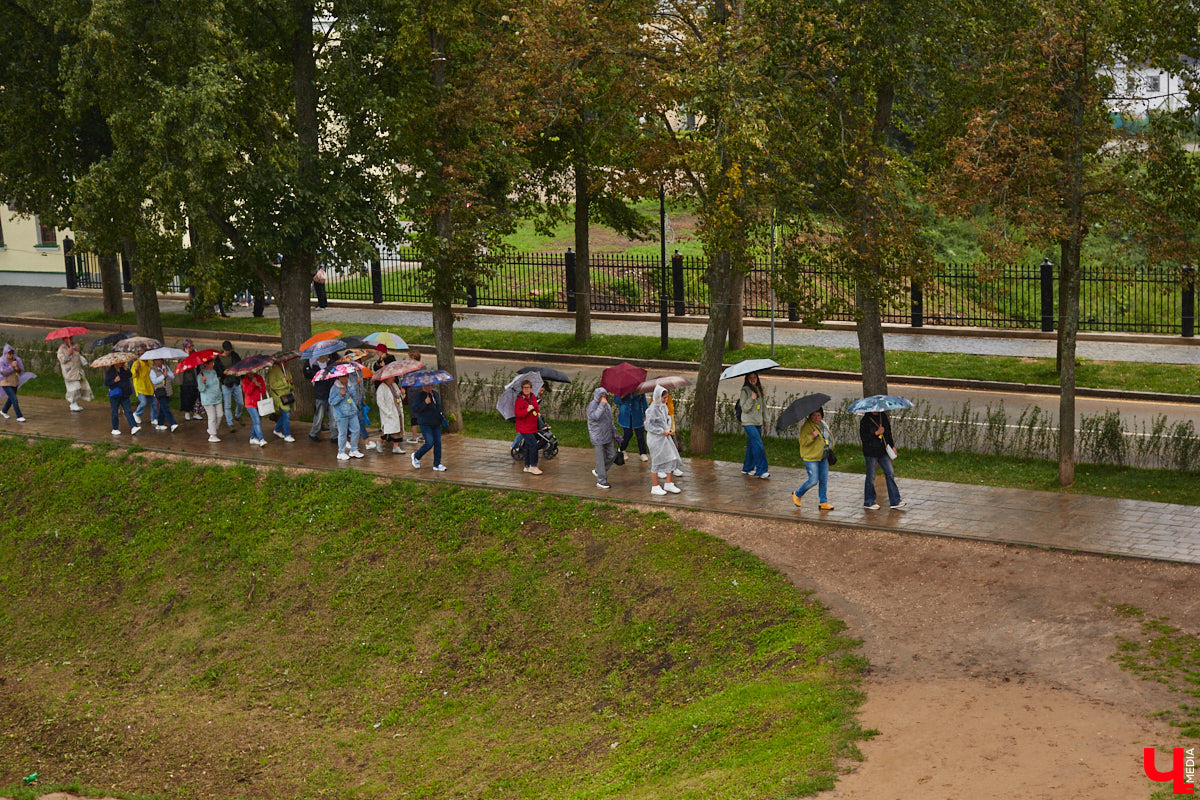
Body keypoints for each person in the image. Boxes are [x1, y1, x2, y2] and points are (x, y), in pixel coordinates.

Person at [861, 410, 906, 510]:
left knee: (890, 472)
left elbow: (888, 433)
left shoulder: (883, 417)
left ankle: (895, 500)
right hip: (871, 453)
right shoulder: (865, 420)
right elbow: (864, 438)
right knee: (871, 477)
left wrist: (892, 446)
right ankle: (868, 501)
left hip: (883, 451)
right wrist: (876, 433)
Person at [793, 408, 835, 510]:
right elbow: (803, 442)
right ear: (810, 416)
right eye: (814, 415)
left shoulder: (823, 424)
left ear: (822, 416)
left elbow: (828, 437)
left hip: (823, 456)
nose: (816, 418)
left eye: (818, 415)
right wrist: (812, 436)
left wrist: (831, 446)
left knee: (823, 480)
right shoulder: (807, 427)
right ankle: (797, 494)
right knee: (813, 480)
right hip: (811, 458)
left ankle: (823, 501)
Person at [645, 385, 682, 495]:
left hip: (664, 437)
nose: (666, 400)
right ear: (657, 396)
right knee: (656, 461)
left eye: (667, 397)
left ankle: (669, 483)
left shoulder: (663, 407)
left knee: (672, 457)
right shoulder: (652, 410)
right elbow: (648, 426)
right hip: (655, 439)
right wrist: (662, 431)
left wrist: (668, 429)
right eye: (664, 398)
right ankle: (655, 486)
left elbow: (666, 420)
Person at [409, 382, 446, 471]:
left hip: (436, 422)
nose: (426, 387)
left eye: (429, 385)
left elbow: (438, 407)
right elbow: (415, 409)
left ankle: (437, 464)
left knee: (438, 443)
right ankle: (416, 456)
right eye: (425, 385)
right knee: (429, 443)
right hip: (425, 423)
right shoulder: (420, 396)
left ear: (432, 385)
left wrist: (441, 417)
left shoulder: (435, 394)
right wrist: (425, 403)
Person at [739, 372, 769, 479]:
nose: (753, 379)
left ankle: (747, 468)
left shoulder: (758, 389)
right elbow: (744, 408)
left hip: (758, 422)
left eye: (754, 377)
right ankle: (762, 470)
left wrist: (767, 421)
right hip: (748, 422)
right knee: (758, 445)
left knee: (752, 445)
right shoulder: (745, 391)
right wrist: (751, 399)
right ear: (747, 379)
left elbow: (763, 407)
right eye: (750, 378)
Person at [586, 387, 618, 489]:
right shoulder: (592, 405)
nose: (603, 398)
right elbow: (595, 417)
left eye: (605, 396)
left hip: (607, 434)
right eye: (601, 396)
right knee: (600, 459)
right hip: (597, 436)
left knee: (612, 454)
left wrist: (614, 432)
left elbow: (609, 420)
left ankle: (598, 471)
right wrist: (602, 405)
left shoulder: (607, 405)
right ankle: (601, 481)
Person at [329, 373, 364, 460]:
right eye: (342, 376)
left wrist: (355, 405)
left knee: (356, 429)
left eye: (346, 376)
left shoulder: (350, 385)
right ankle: (341, 452)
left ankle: (354, 449)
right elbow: (331, 401)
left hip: (352, 412)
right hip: (341, 415)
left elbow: (354, 396)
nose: (345, 378)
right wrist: (340, 395)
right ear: (339, 377)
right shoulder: (335, 388)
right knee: (343, 433)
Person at [514, 379, 542, 475]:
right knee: (534, 445)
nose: (526, 389)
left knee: (528, 445)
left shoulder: (532, 397)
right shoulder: (519, 400)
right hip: (524, 427)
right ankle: (533, 466)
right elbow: (518, 414)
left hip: (532, 426)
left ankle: (527, 466)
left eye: (528, 387)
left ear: (531, 388)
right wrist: (527, 410)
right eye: (524, 388)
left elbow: (536, 407)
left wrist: (537, 413)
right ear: (522, 388)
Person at [214, 341, 245, 430]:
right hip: (226, 383)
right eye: (227, 350)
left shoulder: (235, 355)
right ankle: (230, 423)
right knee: (227, 405)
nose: (228, 351)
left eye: (230, 350)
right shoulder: (218, 359)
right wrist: (223, 373)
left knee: (240, 403)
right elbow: (217, 372)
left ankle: (237, 415)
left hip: (235, 381)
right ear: (223, 349)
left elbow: (240, 365)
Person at [104, 360, 140, 435]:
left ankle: (133, 426)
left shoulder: (124, 369)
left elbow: (130, 375)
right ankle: (115, 428)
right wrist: (114, 381)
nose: (122, 363)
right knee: (115, 411)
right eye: (120, 362)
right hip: (115, 395)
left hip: (125, 393)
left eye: (122, 362)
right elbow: (106, 383)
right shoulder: (110, 371)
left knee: (128, 410)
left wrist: (126, 369)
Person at [56, 336, 91, 412]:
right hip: (69, 372)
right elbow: (62, 360)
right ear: (64, 339)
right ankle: (73, 403)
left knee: (79, 387)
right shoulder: (62, 349)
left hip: (77, 371)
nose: (70, 340)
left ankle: (74, 403)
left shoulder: (75, 345)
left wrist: (77, 350)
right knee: (73, 388)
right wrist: (68, 354)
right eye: (68, 338)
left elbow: (80, 356)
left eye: (71, 338)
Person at [306, 354, 334, 441]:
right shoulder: (314, 366)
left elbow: (334, 375)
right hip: (321, 394)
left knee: (333, 416)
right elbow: (314, 377)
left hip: (331, 394)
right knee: (319, 415)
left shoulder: (331, 363)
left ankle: (335, 435)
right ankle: (313, 433)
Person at [266, 360, 296, 442]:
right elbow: (273, 385)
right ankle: (287, 434)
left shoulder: (286, 370)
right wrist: (284, 380)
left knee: (284, 415)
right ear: (279, 362)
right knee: (286, 414)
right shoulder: (273, 372)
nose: (286, 363)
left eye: (286, 362)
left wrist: (290, 383)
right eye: (284, 362)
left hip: (287, 396)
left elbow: (289, 383)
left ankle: (277, 429)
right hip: (280, 397)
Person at [376, 375, 405, 454]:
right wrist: (388, 412)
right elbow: (380, 402)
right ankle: (380, 442)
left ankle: (396, 447)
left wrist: (402, 393)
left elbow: (399, 397)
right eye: (391, 377)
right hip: (389, 413)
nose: (393, 378)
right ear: (386, 378)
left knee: (398, 430)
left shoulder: (394, 385)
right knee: (388, 431)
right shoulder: (381, 388)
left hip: (397, 410)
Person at [196, 355, 223, 442]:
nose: (213, 364)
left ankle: (212, 429)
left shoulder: (214, 372)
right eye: (211, 363)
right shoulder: (200, 376)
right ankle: (212, 435)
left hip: (217, 397)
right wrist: (203, 382)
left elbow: (216, 383)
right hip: (208, 399)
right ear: (206, 364)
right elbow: (201, 389)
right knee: (212, 417)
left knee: (220, 415)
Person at [617, 391, 649, 462]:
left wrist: (646, 414)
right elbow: (616, 400)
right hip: (625, 415)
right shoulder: (622, 389)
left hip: (637, 415)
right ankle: (622, 449)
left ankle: (643, 453)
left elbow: (644, 402)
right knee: (628, 433)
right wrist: (621, 396)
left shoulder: (640, 389)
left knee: (640, 434)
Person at [241, 369, 269, 447]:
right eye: (249, 372)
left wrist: (259, 385)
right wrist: (253, 383)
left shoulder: (259, 378)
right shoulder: (245, 380)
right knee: (256, 420)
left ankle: (252, 437)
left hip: (259, 403)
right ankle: (261, 439)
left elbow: (263, 391)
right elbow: (247, 392)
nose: (251, 373)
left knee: (257, 421)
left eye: (253, 371)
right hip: (250, 404)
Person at [149, 359, 179, 432]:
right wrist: (163, 376)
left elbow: (172, 377)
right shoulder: (152, 371)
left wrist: (167, 372)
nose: (158, 362)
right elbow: (154, 381)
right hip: (160, 391)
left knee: (163, 408)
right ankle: (173, 423)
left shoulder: (166, 367)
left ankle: (160, 424)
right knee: (165, 408)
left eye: (159, 360)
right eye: (156, 360)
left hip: (167, 390)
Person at [0, 344, 27, 422]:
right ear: (5, 353)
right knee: (14, 399)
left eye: (12, 353)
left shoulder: (16, 360)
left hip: (14, 382)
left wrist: (17, 368)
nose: (11, 355)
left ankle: (4, 410)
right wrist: (11, 366)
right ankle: (19, 416)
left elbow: (20, 371)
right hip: (5, 383)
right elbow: (3, 372)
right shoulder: (1, 360)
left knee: (11, 398)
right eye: (9, 353)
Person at [178, 339, 202, 420]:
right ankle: (187, 412)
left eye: (192, 346)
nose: (191, 348)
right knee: (186, 396)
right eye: (189, 347)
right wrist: (187, 355)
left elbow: (198, 364)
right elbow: (181, 365)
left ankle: (195, 412)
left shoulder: (194, 353)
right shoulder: (181, 355)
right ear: (185, 347)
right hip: (185, 379)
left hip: (194, 378)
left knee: (196, 396)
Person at [130, 355, 156, 426]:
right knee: (144, 402)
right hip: (140, 386)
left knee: (154, 403)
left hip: (150, 386)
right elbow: (133, 375)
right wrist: (136, 369)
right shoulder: (136, 363)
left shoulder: (151, 363)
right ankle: (137, 414)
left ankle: (153, 418)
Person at [405, 348, 423, 444]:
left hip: (412, 392)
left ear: (412, 358)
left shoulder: (409, 369)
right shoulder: (422, 367)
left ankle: (414, 436)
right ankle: (423, 435)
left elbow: (406, 381)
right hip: (421, 392)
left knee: (414, 415)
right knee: (422, 413)